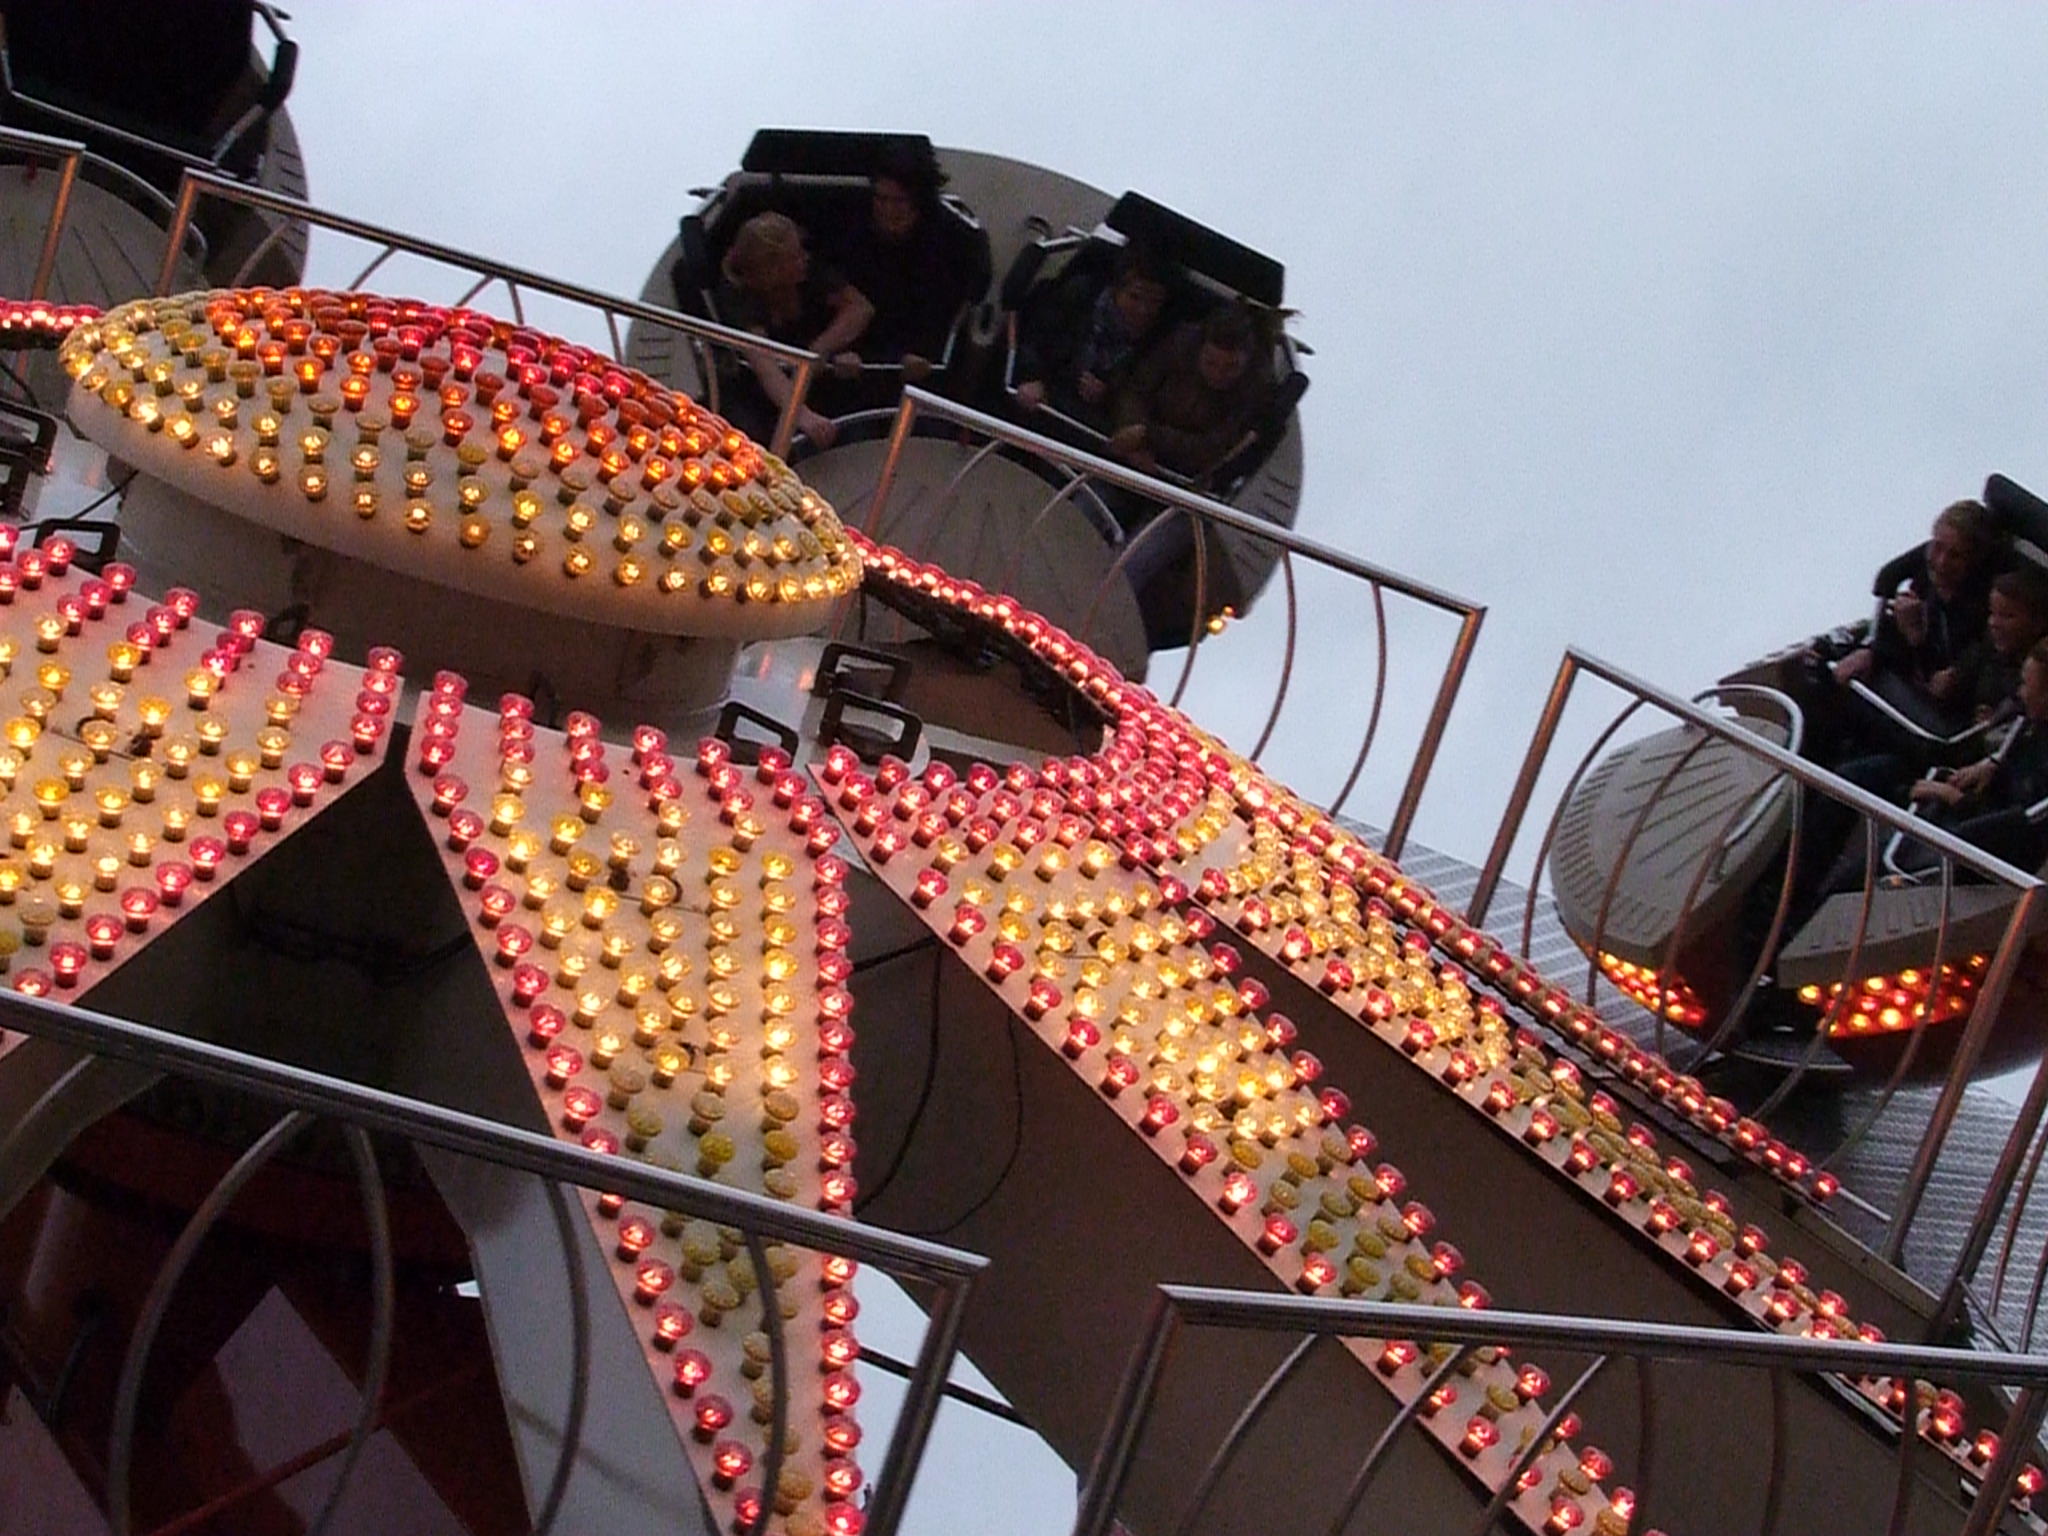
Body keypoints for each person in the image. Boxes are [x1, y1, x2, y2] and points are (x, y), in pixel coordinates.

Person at [716, 211, 874, 449]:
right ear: (773, 269)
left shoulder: (808, 272)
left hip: (820, 375)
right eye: (795, 257)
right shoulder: (739, 299)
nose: (805, 258)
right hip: (765, 395)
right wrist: (803, 416)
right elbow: (764, 365)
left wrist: (819, 349)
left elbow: (860, 308)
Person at [1828, 498, 2000, 702]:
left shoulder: (1983, 610)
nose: (1941, 562)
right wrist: (1872, 650)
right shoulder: (1924, 577)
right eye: (1937, 547)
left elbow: (1939, 681)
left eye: (1955, 555)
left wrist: (1916, 637)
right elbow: (1891, 607)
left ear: (1973, 561)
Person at [831, 140, 970, 384]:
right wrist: (845, 350)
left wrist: (923, 351)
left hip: (923, 362)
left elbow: (945, 309)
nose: (888, 210)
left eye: (899, 201)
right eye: (881, 199)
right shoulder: (851, 234)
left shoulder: (949, 242)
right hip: (855, 358)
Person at [1108, 301, 1271, 490]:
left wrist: (1148, 435)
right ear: (1199, 350)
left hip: (1183, 480)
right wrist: (1130, 432)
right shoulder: (1178, 346)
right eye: (1210, 362)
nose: (1218, 374)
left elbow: (1214, 448)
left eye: (1231, 367)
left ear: (1247, 362)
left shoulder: (1255, 389)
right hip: (1127, 448)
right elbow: (1135, 390)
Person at [1013, 242, 1172, 432]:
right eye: (1135, 297)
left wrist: (1107, 395)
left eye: (1154, 302)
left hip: (1090, 424)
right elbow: (1034, 338)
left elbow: (1139, 396)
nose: (1143, 310)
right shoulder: (1078, 296)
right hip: (1042, 392)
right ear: (1115, 290)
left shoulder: (1160, 339)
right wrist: (1032, 377)